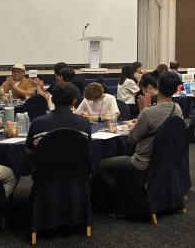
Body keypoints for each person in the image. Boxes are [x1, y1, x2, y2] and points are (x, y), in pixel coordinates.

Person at [98, 72, 183, 203]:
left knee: (101, 165)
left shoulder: (148, 113)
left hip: (143, 161)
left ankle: (124, 199)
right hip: (167, 159)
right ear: (176, 90)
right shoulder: (177, 109)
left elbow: (131, 139)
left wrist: (143, 111)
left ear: (158, 86)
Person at [26, 82, 91, 154]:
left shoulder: (37, 123)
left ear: (52, 100)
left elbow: (29, 151)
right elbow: (87, 149)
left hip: (45, 161)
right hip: (77, 161)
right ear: (74, 102)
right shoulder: (84, 122)